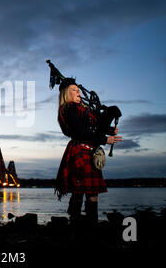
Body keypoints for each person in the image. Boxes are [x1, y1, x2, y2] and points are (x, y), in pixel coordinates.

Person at [54, 78, 122, 224]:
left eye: (78, 90)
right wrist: (105, 140)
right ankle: (76, 226)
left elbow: (94, 127)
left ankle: (91, 227)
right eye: (74, 90)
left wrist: (110, 129)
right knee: (78, 192)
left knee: (93, 193)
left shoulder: (83, 110)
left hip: (90, 152)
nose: (78, 92)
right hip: (79, 150)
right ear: (66, 94)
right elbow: (81, 132)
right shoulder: (69, 109)